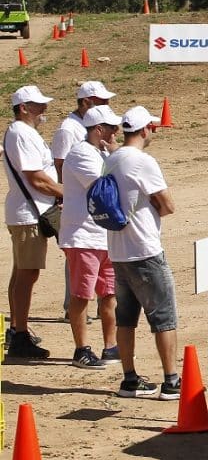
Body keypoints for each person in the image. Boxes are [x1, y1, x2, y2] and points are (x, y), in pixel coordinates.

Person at [107, 106, 181, 400]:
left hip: (118, 250)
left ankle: (130, 379)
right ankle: (171, 380)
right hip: (144, 250)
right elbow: (168, 205)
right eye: (152, 127)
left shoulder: (111, 159)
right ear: (143, 130)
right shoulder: (142, 161)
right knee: (164, 317)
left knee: (126, 318)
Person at [3, 86, 64, 359]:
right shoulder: (21, 134)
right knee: (27, 274)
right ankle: (20, 334)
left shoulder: (23, 133)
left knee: (22, 273)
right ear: (23, 108)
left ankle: (18, 330)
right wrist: (68, 192)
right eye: (37, 105)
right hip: (30, 214)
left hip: (26, 211)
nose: (44, 109)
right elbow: (36, 178)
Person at [60, 105, 122, 369]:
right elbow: (107, 187)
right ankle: (81, 349)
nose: (117, 131)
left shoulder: (98, 153)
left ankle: (110, 346)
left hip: (102, 234)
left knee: (108, 294)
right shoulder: (81, 154)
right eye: (112, 127)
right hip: (83, 235)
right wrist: (118, 155)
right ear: (99, 130)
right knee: (82, 295)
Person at [52, 80, 116, 320]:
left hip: (89, 207)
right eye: (102, 101)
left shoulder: (86, 128)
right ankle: (73, 306)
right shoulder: (69, 129)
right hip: (74, 202)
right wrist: (62, 195)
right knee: (79, 258)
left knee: (87, 261)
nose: (107, 104)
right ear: (86, 102)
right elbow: (60, 164)